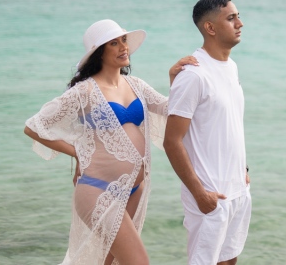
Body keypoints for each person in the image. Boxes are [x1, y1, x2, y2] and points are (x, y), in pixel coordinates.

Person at [24, 19, 197, 265]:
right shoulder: (84, 92)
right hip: (98, 190)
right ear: (99, 53)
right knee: (138, 262)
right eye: (113, 43)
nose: (123, 47)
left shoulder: (136, 85)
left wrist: (174, 78)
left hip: (134, 188)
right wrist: (79, 153)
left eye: (123, 40)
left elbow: (170, 109)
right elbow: (34, 127)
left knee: (109, 262)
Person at [164, 0, 251, 265]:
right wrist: (198, 192)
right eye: (231, 18)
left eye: (238, 16)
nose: (240, 23)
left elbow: (227, 125)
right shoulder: (193, 75)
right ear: (210, 28)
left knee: (229, 261)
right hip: (210, 193)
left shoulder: (231, 67)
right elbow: (172, 141)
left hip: (237, 189)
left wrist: (243, 171)